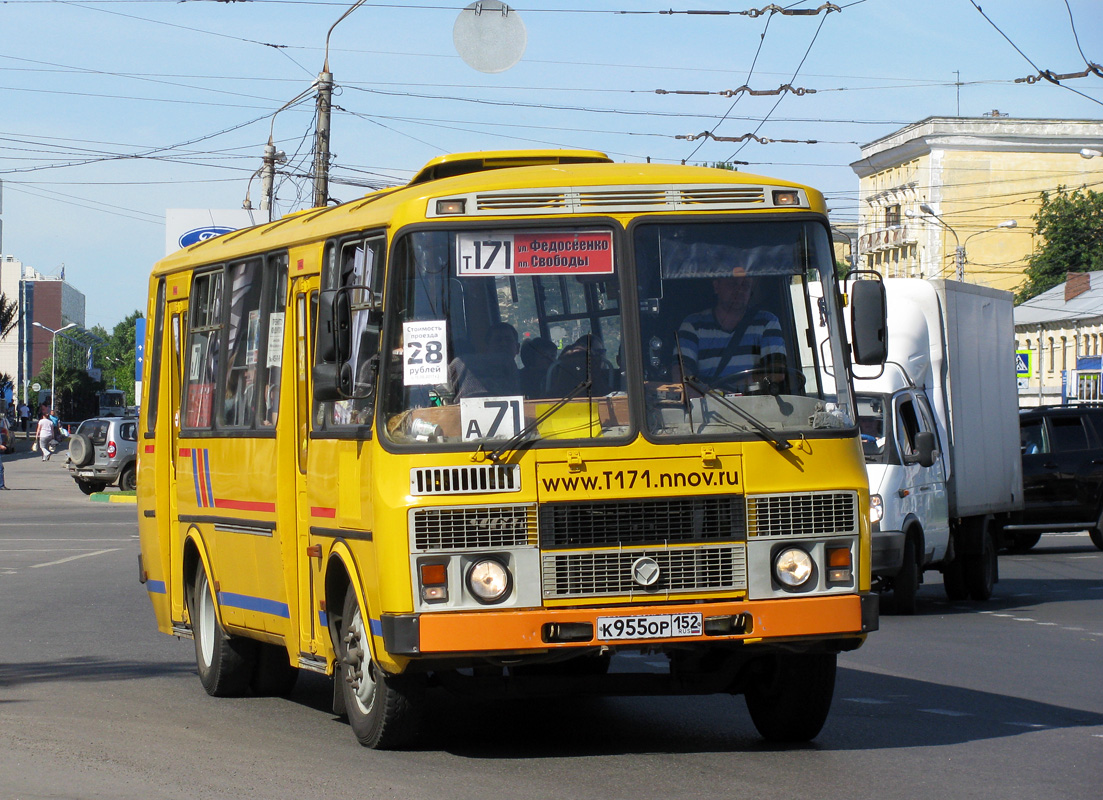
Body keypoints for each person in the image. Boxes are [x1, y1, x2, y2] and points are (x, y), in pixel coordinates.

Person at [672, 270, 787, 392]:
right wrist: (708, 395)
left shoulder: (767, 322)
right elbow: (681, 374)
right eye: (733, 284)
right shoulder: (693, 325)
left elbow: (777, 373)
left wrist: (730, 390)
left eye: (745, 285)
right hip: (706, 408)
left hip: (756, 407)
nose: (740, 290)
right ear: (716, 286)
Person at [447, 322, 522, 399]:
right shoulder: (462, 368)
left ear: (518, 348)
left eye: (508, 340)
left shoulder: (526, 379)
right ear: (487, 347)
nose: (503, 343)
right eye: (498, 340)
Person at [545, 333, 613, 396]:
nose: (598, 356)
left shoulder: (613, 383)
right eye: (590, 354)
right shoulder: (557, 384)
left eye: (601, 351)